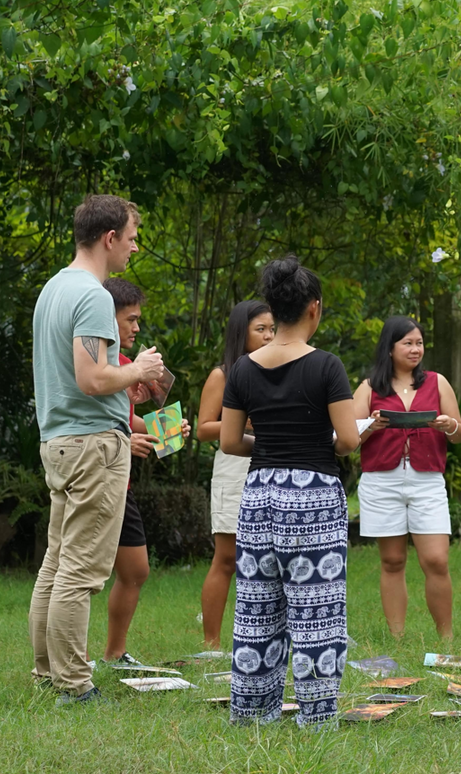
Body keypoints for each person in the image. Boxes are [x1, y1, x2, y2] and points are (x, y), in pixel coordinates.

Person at [29, 195, 165, 706]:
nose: (134, 247)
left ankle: (47, 672)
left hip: (60, 442)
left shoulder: (53, 289)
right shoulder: (91, 296)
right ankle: (73, 684)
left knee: (57, 562)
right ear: (109, 238)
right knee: (82, 571)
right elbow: (92, 378)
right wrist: (140, 370)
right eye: (131, 238)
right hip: (92, 448)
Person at [220, 256, 359, 729]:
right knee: (315, 612)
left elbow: (230, 441)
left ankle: (252, 714)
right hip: (314, 494)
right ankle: (316, 718)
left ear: (274, 310)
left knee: (257, 607)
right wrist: (316, 442)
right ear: (313, 309)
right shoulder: (326, 366)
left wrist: (272, 443)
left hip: (259, 493)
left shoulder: (241, 368)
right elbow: (348, 440)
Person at [353, 317, 461, 641]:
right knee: (392, 560)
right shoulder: (369, 387)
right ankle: (397, 638)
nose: (416, 349)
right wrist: (369, 426)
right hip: (381, 481)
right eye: (408, 343)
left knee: (436, 559)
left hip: (427, 479)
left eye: (419, 343)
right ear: (389, 348)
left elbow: (460, 435)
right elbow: (345, 441)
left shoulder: (436, 382)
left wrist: (449, 426)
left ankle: (446, 638)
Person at [99, 278, 190, 667]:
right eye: (130, 319)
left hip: (123, 483)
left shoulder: (126, 365)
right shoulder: (101, 365)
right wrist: (124, 439)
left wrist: (164, 430)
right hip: (99, 477)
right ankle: (66, 660)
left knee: (136, 570)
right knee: (83, 574)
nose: (137, 327)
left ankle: (115, 653)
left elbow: (125, 420)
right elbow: (94, 423)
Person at [196, 300, 276, 649]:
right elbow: (203, 429)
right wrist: (242, 421)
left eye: (272, 329)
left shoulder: (278, 369)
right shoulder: (222, 374)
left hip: (272, 463)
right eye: (261, 329)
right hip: (234, 468)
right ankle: (211, 643)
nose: (269, 336)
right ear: (240, 332)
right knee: (227, 558)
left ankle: (267, 636)